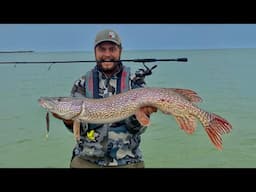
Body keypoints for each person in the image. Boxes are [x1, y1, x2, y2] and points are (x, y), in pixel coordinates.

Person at [53, 29, 157, 168]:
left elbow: (138, 130)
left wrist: (144, 114)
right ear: (95, 51)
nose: (107, 54)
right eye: (102, 49)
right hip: (87, 161)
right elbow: (79, 130)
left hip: (127, 161)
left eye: (112, 49)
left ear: (120, 51)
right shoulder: (82, 83)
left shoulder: (135, 83)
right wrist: (68, 121)